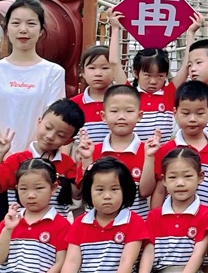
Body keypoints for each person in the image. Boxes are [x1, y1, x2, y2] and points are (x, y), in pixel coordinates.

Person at [0, 0, 66, 273]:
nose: (23, 30)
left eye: (30, 23)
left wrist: (30, 161)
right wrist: (5, 156)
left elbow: (52, 121)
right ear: (6, 29)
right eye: (16, 23)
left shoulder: (52, 72)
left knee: (39, 238)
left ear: (42, 30)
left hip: (39, 167)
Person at [145, 81, 208, 211]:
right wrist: (156, 218)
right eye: (186, 113)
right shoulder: (166, 150)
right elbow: (160, 190)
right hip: (175, 220)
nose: (192, 119)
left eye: (200, 113)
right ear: (175, 113)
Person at [0, 98, 84, 210]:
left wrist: (82, 164)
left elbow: (77, 194)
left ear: (69, 141)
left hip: (56, 221)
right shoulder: (17, 160)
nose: (50, 136)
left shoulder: (67, 164)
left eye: (60, 135)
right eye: (48, 128)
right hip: (20, 220)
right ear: (39, 121)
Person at [82, 85, 153, 215]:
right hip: (97, 223)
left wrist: (149, 158)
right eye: (114, 111)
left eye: (129, 111)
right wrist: (87, 159)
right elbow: (86, 190)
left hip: (135, 222)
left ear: (139, 115)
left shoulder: (148, 151)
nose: (121, 117)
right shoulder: (92, 150)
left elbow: (145, 192)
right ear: (103, 116)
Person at [130, 48, 177, 143]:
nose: (153, 81)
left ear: (166, 75)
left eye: (160, 76)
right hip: (136, 150)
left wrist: (191, 38)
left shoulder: (169, 94)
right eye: (148, 75)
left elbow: (186, 65)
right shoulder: (129, 94)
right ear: (136, 73)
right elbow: (114, 63)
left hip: (163, 150)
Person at [74, 45, 117, 145]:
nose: (98, 73)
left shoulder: (121, 101)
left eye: (105, 68)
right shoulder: (73, 105)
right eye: (92, 68)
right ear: (82, 72)